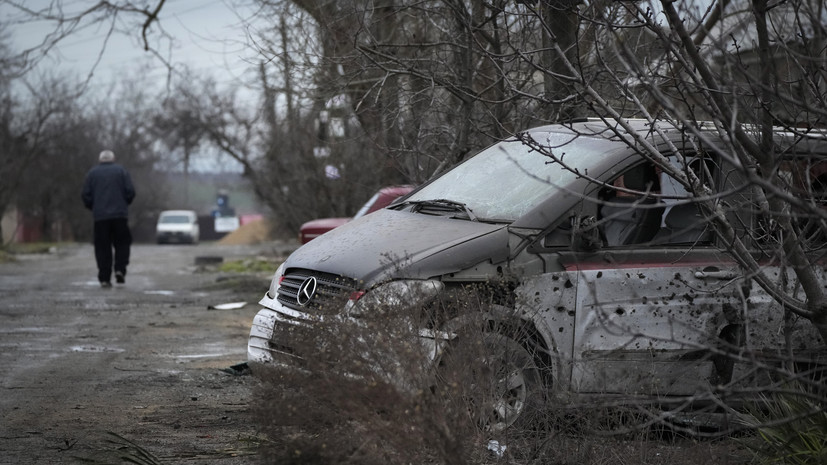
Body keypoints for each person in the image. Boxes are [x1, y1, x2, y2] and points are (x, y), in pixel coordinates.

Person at [81, 150, 136, 288]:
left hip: (100, 218)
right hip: (120, 216)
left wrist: (94, 207)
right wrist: (124, 204)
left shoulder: (92, 173)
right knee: (122, 243)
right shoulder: (121, 171)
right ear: (113, 159)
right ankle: (120, 269)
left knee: (102, 247)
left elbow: (86, 195)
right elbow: (130, 192)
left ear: (100, 160)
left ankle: (105, 278)